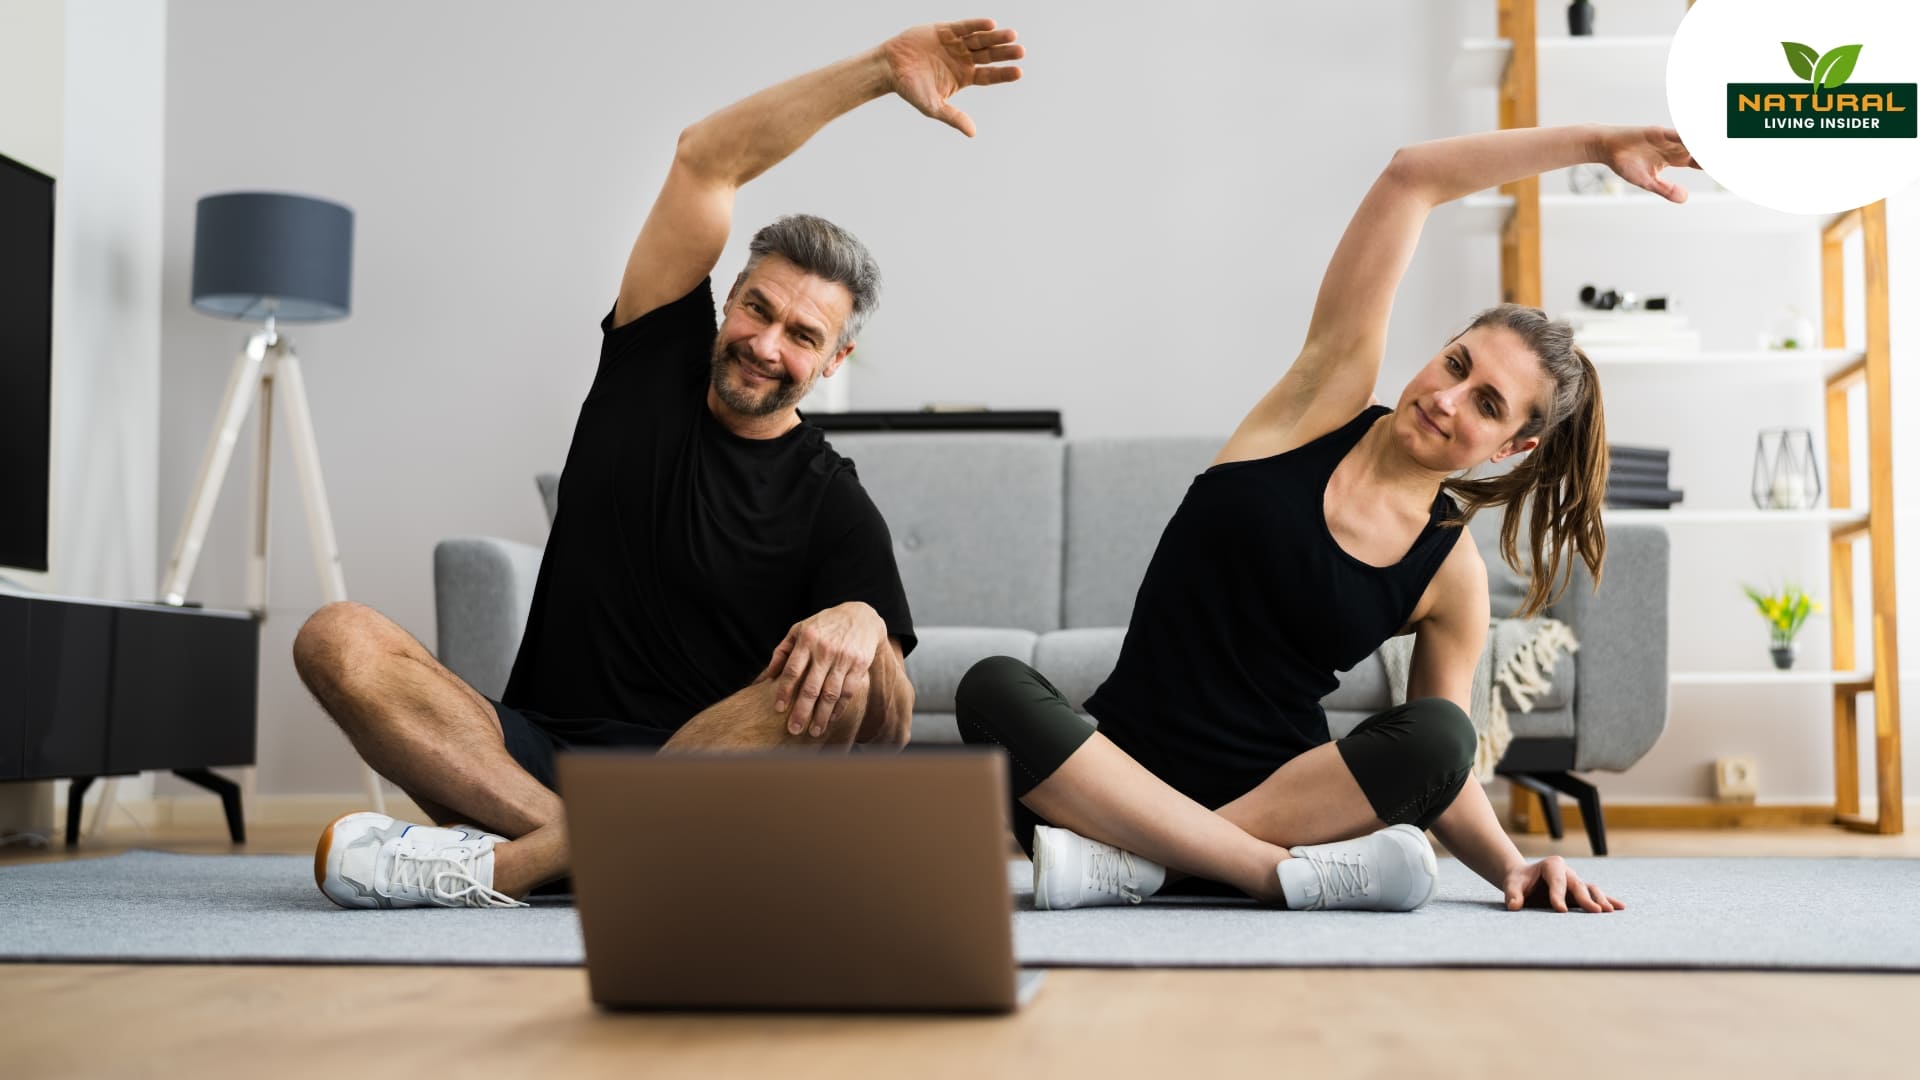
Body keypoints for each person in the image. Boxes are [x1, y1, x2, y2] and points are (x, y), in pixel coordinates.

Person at [294, 18, 1026, 909]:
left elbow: (887, 724)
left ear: (833, 363)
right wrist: (880, 70)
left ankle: (505, 868)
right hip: (520, 757)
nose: (766, 344)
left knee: (845, 683)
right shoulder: (651, 365)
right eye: (757, 309)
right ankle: (602, 854)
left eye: (802, 335)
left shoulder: (834, 501)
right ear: (726, 303)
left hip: (704, 773)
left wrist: (866, 622)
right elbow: (705, 161)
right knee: (337, 637)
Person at [957, 123, 1699, 913]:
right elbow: (1412, 177)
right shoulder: (1320, 404)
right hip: (1112, 770)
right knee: (991, 688)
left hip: (1285, 795)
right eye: (1456, 364)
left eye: (1485, 405)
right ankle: (1252, 871)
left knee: (1443, 734)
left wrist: (1512, 867)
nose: (1447, 399)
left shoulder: (1450, 572)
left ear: (1509, 447)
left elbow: (1442, 768)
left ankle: (1143, 866)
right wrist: (1596, 144)